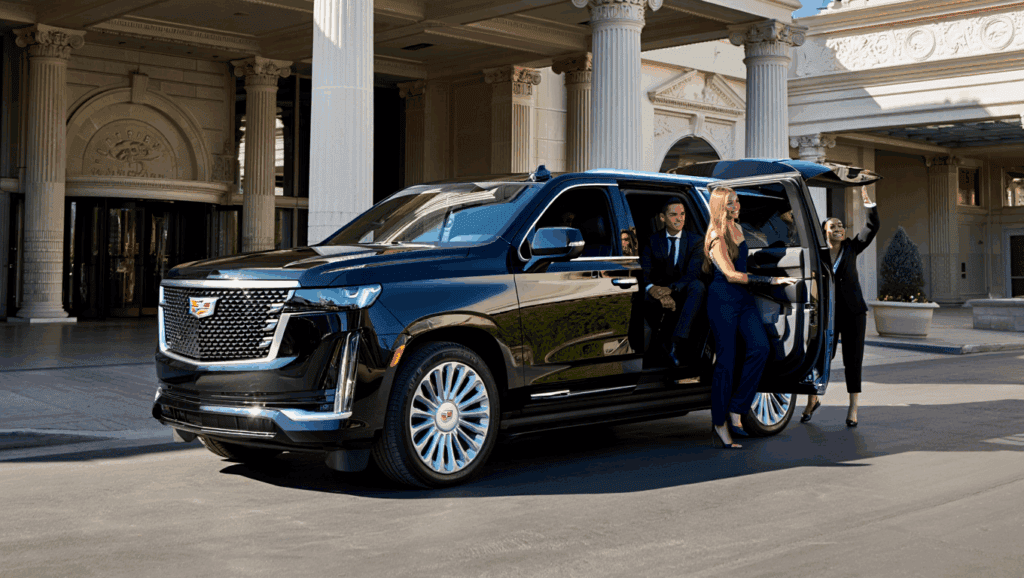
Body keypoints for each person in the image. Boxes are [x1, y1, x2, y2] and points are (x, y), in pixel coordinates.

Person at [703, 187, 797, 449]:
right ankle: (720, 424)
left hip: (743, 297)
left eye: (738, 201)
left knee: (760, 348)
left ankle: (737, 408)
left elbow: (747, 263)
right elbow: (731, 274)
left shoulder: (739, 228)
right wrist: (771, 279)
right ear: (721, 206)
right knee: (726, 362)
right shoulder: (715, 236)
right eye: (731, 203)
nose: (737, 205)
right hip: (723, 298)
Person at [801, 185, 879, 427]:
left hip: (854, 313)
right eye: (833, 226)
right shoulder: (820, 254)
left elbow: (872, 227)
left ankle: (853, 407)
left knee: (852, 360)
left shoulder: (852, 248)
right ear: (824, 231)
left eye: (841, 226)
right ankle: (812, 399)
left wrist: (868, 203)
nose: (839, 228)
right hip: (828, 314)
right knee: (821, 356)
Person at [640, 198, 705, 366]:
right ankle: (650, 349)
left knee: (698, 286)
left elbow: (693, 273)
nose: (679, 219)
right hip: (656, 290)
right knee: (641, 293)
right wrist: (652, 289)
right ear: (663, 218)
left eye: (682, 214)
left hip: (680, 288)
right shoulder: (652, 241)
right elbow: (644, 272)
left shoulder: (695, 241)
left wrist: (669, 290)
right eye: (674, 214)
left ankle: (675, 344)